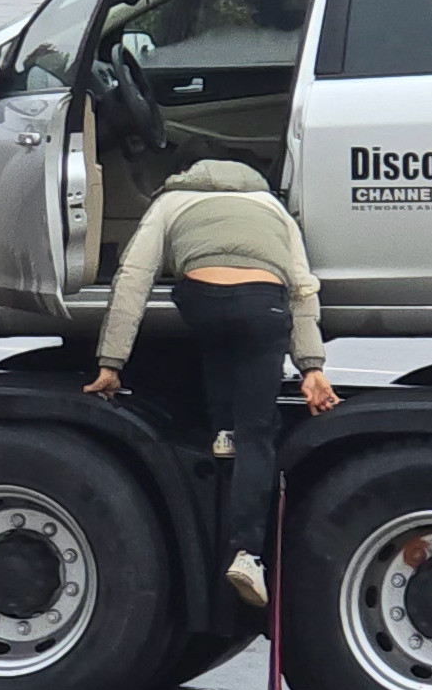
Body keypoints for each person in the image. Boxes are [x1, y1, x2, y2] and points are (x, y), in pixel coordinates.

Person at [84, 157, 336, 609]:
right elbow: (302, 288)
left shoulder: (171, 201)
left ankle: (221, 431)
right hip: (265, 306)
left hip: (203, 300)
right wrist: (311, 367)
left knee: (219, 335)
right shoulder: (273, 207)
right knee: (257, 435)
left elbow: (133, 279)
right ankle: (247, 554)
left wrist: (111, 361)